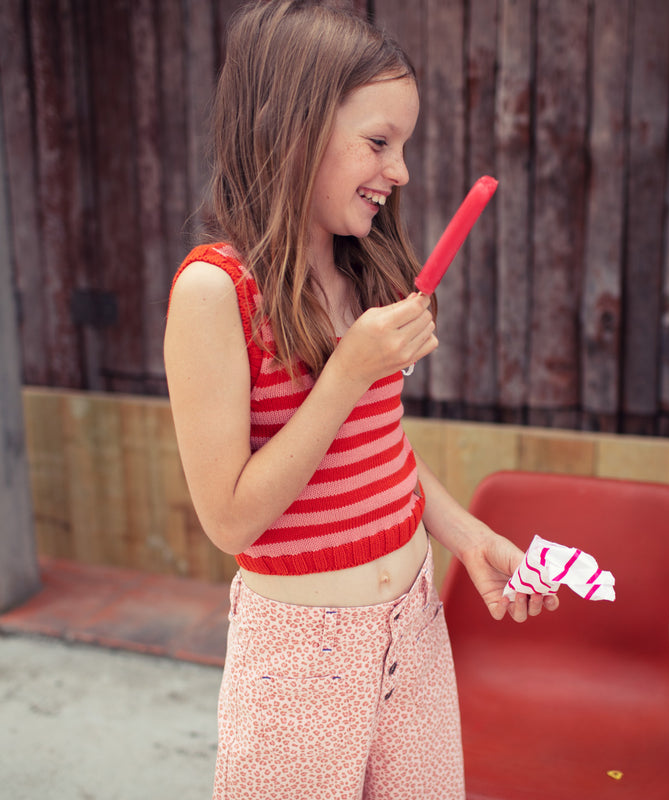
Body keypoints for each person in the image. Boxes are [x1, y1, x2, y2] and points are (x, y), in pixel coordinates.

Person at [163, 2, 556, 797]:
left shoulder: (363, 271)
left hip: (413, 625)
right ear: (291, 128)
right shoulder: (216, 291)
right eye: (379, 142)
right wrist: (347, 373)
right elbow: (232, 520)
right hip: (300, 659)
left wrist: (468, 536)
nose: (401, 170)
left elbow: (377, 455)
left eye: (402, 145)